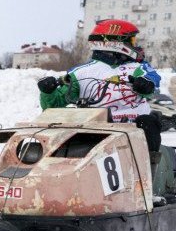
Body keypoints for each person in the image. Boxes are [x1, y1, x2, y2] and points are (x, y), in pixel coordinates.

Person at [37, 18, 162, 154]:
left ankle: (151, 161)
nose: (136, 46)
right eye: (132, 41)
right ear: (114, 43)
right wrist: (48, 91)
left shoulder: (138, 67)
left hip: (134, 128)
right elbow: (54, 105)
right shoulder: (81, 73)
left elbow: (152, 79)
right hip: (98, 129)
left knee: (148, 121)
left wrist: (145, 83)